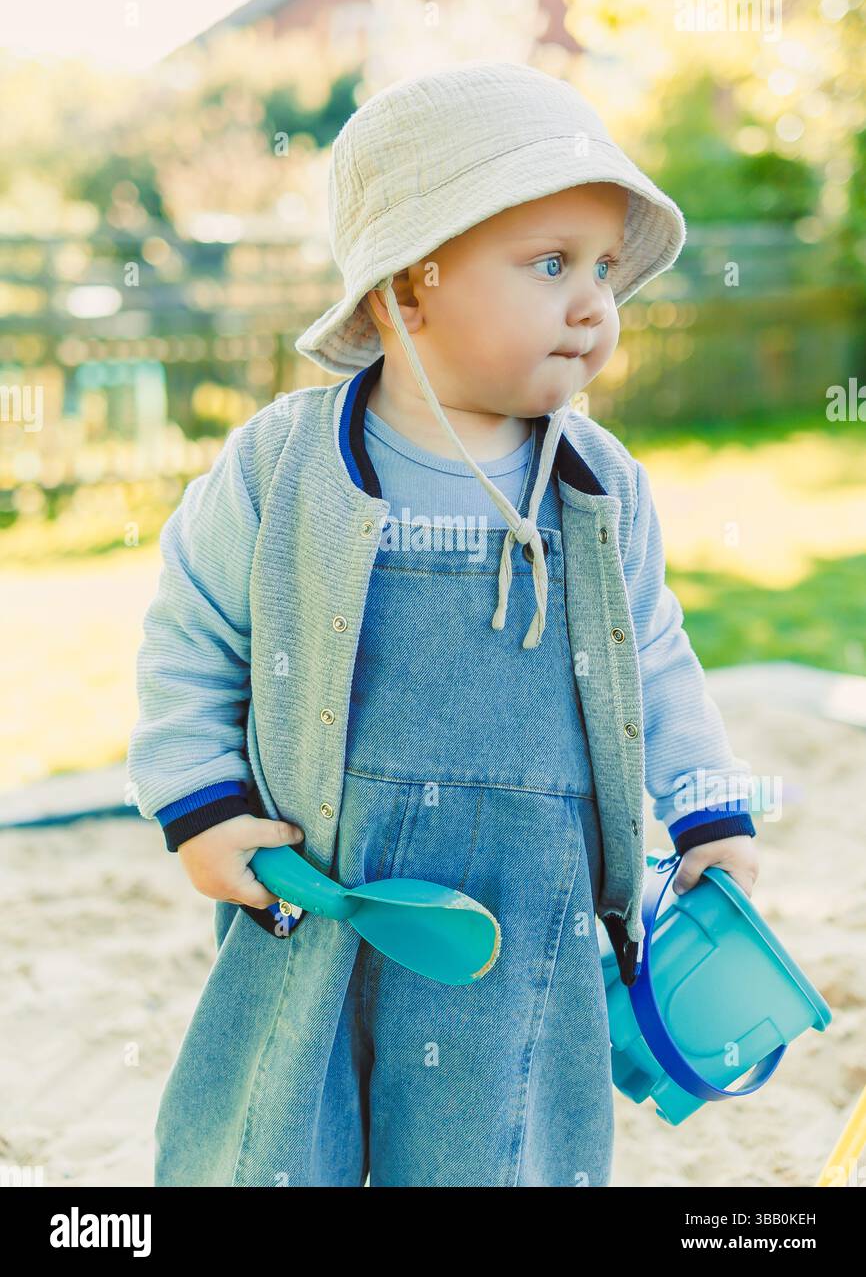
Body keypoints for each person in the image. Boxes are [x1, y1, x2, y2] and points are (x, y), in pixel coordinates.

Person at [127, 61, 759, 1187]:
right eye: (549, 263)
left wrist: (703, 803)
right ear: (403, 293)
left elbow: (651, 652)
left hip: (528, 910)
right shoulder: (286, 469)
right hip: (320, 889)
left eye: (604, 269)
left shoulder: (596, 485)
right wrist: (200, 804)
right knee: (274, 1130)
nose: (591, 305)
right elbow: (194, 636)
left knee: (498, 1137)